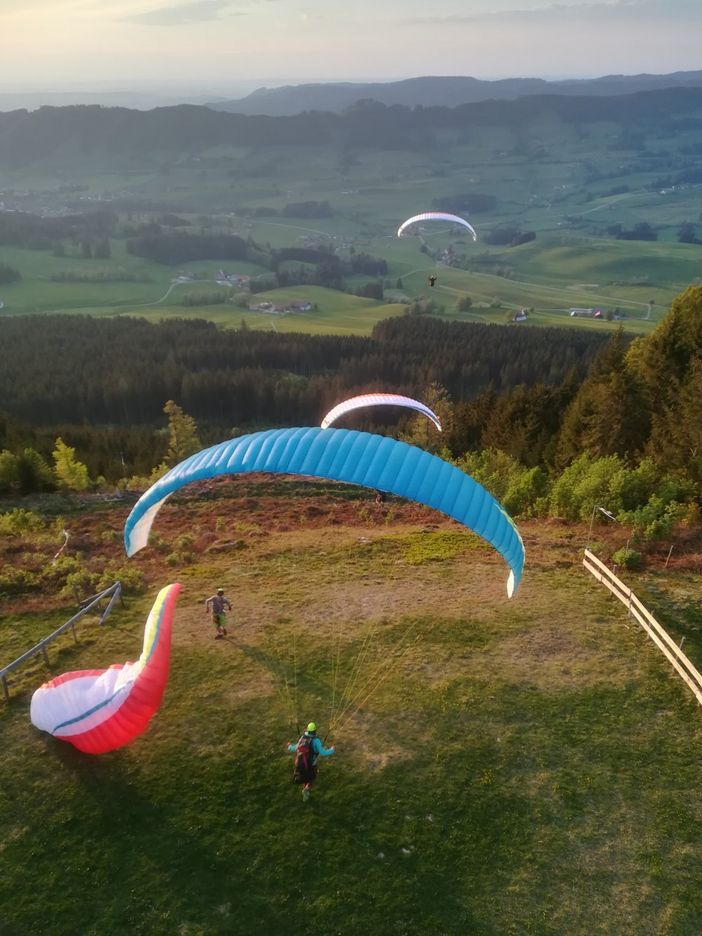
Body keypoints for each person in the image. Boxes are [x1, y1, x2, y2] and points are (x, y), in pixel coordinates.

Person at [288, 722, 335, 802]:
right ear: (315, 731)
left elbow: (295, 748)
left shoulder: (302, 738)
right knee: (312, 776)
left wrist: (289, 746)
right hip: (311, 764)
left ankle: (305, 789)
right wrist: (332, 750)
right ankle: (306, 789)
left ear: (307, 730)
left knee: (305, 775)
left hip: (301, 763)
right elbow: (323, 752)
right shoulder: (316, 741)